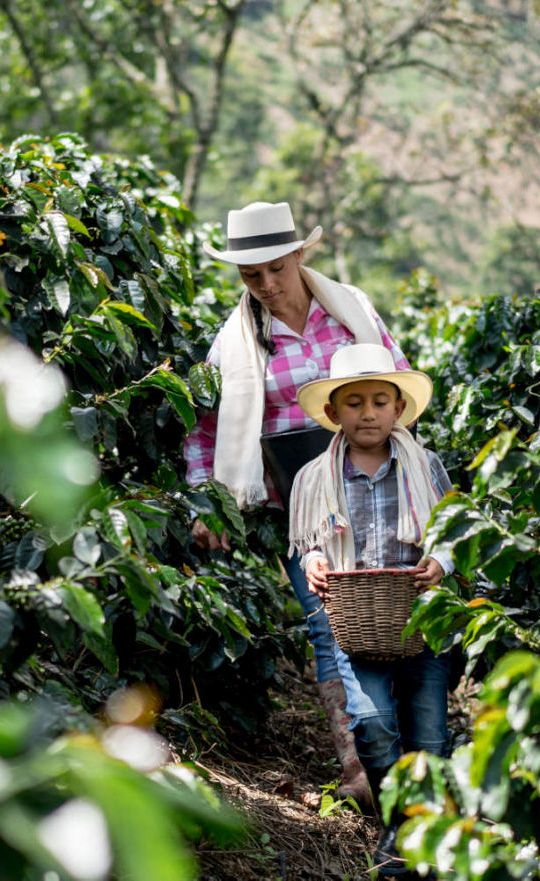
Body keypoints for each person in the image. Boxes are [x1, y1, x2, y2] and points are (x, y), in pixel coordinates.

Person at [183, 200, 410, 809]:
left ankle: (407, 748)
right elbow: (204, 433)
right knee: (327, 622)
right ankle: (359, 762)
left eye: (275, 269)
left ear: (299, 256)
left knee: (388, 614)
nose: (265, 285)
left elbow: (400, 381)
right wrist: (209, 503)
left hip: (377, 488)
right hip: (304, 507)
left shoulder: (350, 312)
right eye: (250, 276)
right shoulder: (234, 342)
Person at [288, 342, 453, 878]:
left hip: (422, 621)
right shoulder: (316, 477)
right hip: (357, 624)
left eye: (380, 401)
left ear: (398, 409)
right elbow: (311, 541)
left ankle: (417, 833)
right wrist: (314, 562)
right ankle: (398, 817)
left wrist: (441, 564)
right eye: (354, 403)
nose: (368, 413)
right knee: (374, 721)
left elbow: (453, 529)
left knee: (428, 735)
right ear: (334, 412)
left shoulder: (425, 467)